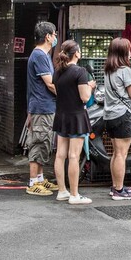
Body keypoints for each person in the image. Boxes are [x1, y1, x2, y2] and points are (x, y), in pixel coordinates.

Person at [51, 40, 95, 204]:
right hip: (76, 116)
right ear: (76, 53)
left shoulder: (58, 71)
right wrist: (90, 86)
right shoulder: (80, 72)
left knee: (60, 155)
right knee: (74, 156)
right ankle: (75, 195)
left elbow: (58, 92)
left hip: (61, 115)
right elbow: (84, 97)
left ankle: (62, 191)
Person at [103, 37, 131, 200]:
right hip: (122, 114)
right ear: (123, 52)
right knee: (121, 154)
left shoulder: (108, 70)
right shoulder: (125, 70)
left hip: (109, 115)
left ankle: (115, 186)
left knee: (115, 153)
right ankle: (119, 190)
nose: (130, 51)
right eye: (128, 48)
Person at [25, 22, 60, 197]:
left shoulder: (43, 55)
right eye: (54, 34)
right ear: (47, 36)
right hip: (42, 106)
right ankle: (33, 182)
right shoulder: (39, 56)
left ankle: (39, 178)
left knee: (44, 141)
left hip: (44, 106)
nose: (55, 37)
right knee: (39, 142)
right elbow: (50, 84)